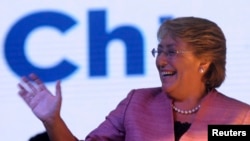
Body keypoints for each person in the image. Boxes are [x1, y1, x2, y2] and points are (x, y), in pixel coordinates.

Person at [18, 17, 250, 141]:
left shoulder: (238, 118)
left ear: (204, 62)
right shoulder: (137, 103)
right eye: (159, 51)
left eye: (171, 51)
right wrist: (52, 120)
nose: (160, 60)